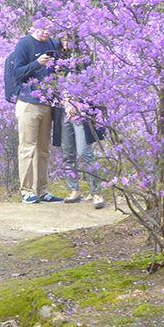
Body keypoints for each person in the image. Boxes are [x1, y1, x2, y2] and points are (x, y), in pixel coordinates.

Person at [8, 24, 64, 204]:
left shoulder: (55, 44)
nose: (47, 31)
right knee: (27, 148)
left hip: (48, 104)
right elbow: (16, 72)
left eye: (50, 28)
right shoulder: (24, 44)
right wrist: (37, 63)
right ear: (33, 26)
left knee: (43, 149)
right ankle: (26, 191)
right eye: (43, 28)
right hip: (28, 103)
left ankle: (42, 190)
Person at [55, 32, 105, 209]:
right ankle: (74, 190)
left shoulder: (86, 61)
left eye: (68, 39)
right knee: (68, 152)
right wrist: (65, 104)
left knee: (84, 153)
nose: (65, 43)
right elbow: (55, 87)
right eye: (62, 40)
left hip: (81, 114)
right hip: (64, 113)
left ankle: (96, 192)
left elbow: (92, 88)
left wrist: (77, 105)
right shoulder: (59, 61)